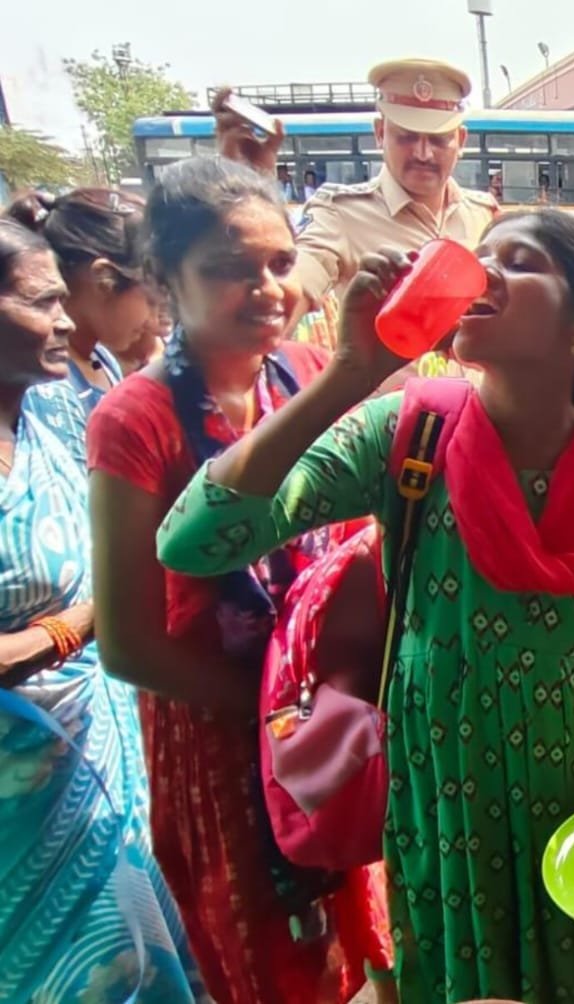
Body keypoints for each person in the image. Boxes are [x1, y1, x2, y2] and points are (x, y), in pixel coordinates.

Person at [157, 208, 574, 1002]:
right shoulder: (405, 432)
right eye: (479, 256)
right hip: (452, 776)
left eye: (517, 262)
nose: (480, 273)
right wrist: (352, 370)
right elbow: (193, 542)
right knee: (474, 969)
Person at [86, 157, 389, 1003]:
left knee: (360, 931)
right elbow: (131, 644)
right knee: (269, 964)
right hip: (222, 736)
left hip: (320, 713)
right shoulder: (134, 419)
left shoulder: (305, 370)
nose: (266, 289)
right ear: (163, 281)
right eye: (229, 270)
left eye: (281, 264)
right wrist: (274, 716)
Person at [0, 219, 204, 1003]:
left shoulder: (60, 413)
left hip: (103, 740)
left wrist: (71, 627)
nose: (62, 320)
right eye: (39, 301)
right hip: (16, 787)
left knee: (129, 948)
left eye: (62, 298)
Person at [213, 58, 498, 323]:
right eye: (406, 137)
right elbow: (290, 292)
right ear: (379, 134)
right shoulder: (339, 214)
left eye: (438, 140)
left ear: (460, 140)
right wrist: (249, 198)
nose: (423, 154)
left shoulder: (484, 216)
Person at [5, 189, 166, 415]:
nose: (154, 320)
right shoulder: (49, 382)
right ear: (105, 279)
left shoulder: (103, 359)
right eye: (150, 301)